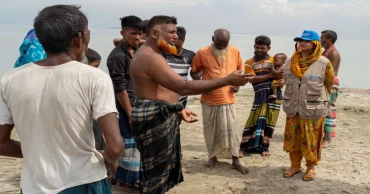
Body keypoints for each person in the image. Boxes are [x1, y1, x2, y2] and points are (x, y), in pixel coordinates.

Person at [0, 5, 123, 194]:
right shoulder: (93, 77)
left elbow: (2, 143)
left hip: (33, 186)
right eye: (88, 33)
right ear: (78, 39)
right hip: (83, 181)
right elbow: (115, 147)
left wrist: (39, 154)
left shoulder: (10, 79)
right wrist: (107, 158)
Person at [130, 16, 253, 194]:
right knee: (155, 172)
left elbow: (163, 89)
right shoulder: (150, 57)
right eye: (171, 32)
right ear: (155, 33)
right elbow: (183, 86)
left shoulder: (155, 54)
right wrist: (227, 80)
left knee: (162, 170)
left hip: (165, 112)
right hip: (155, 117)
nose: (175, 36)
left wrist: (178, 108)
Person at [190, 29, 249, 174]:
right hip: (209, 98)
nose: (221, 46)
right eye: (218, 43)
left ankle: (235, 160)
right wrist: (201, 86)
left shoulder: (235, 51)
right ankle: (212, 157)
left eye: (224, 44)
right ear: (212, 39)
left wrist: (238, 86)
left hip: (228, 98)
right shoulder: (202, 52)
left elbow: (241, 72)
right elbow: (194, 71)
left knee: (231, 131)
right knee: (210, 130)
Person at [282, 30, 334, 181]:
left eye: (306, 40)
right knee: (293, 138)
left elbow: (328, 85)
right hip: (293, 108)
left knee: (311, 139)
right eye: (300, 40)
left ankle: (311, 167)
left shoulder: (323, 63)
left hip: (313, 109)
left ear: (316, 44)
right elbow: (287, 81)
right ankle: (295, 166)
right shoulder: (289, 62)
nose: (302, 42)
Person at [106, 15, 143, 192]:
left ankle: (129, 179)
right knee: (128, 146)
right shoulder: (117, 56)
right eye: (133, 33)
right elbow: (120, 88)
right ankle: (124, 183)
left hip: (138, 103)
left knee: (136, 146)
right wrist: (130, 113)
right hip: (124, 108)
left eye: (139, 34)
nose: (136, 37)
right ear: (123, 33)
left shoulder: (136, 51)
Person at [239, 36, 285, 157]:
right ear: (254, 46)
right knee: (253, 120)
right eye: (257, 47)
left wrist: (283, 81)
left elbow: (283, 74)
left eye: (262, 48)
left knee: (270, 121)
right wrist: (270, 75)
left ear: (268, 48)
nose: (259, 50)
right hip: (260, 94)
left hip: (275, 95)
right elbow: (251, 79)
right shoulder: (249, 62)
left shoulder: (274, 60)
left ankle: (264, 147)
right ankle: (244, 147)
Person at [162, 26, 196, 107]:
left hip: (182, 99)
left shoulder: (190, 55)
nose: (170, 41)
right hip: (165, 99)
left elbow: (197, 71)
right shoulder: (163, 53)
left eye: (174, 39)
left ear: (182, 40)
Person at [321, 30, 341, 148]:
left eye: (322, 38)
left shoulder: (333, 53)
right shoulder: (326, 52)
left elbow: (330, 73)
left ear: (329, 39)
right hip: (324, 83)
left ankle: (328, 138)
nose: (320, 40)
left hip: (330, 83)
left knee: (329, 108)